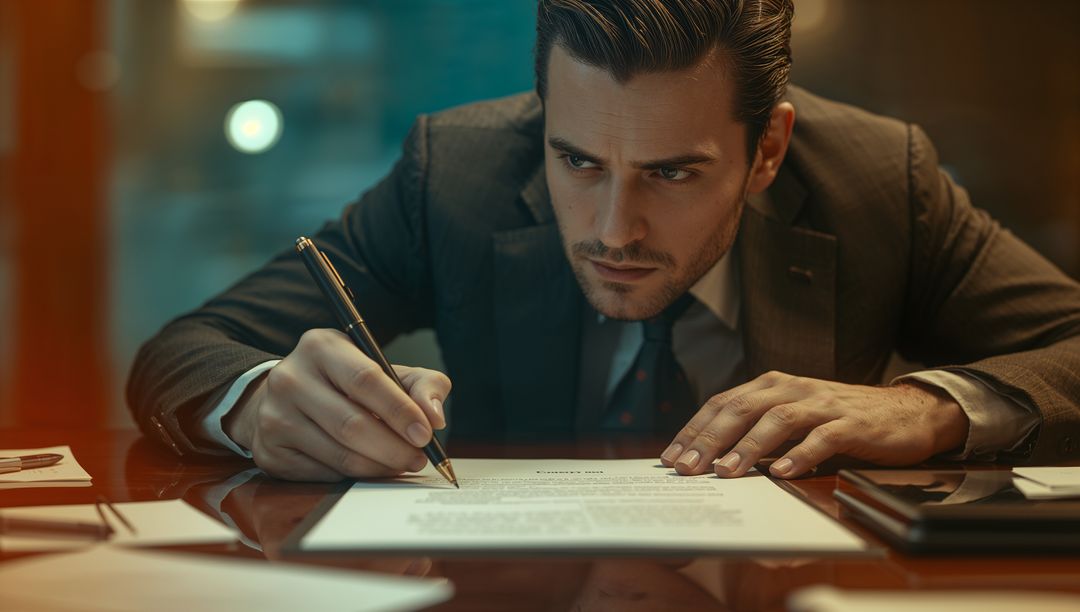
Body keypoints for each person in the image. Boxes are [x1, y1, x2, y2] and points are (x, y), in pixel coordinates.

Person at [128, 0, 1080, 482]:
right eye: (577, 161)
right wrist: (257, 405)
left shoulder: (876, 181)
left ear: (768, 152)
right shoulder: (455, 173)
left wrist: (932, 411)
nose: (614, 229)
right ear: (542, 119)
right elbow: (182, 353)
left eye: (672, 173)